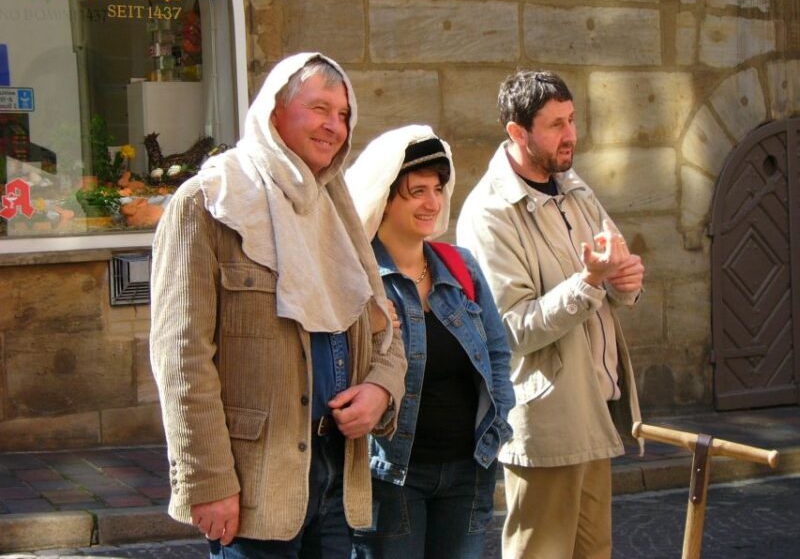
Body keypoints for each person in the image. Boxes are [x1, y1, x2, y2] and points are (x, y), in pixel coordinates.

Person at [149, 52, 407, 558]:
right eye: (319, 109)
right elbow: (181, 358)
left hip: (336, 473)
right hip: (255, 483)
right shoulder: (208, 203)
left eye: (343, 114)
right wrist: (208, 480)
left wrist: (381, 389)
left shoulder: (337, 207)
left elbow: (384, 326)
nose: (334, 126)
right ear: (274, 112)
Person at [456, 71, 645, 559]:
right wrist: (590, 282)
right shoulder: (489, 212)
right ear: (517, 133)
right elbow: (510, 328)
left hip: (595, 408)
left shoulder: (575, 188)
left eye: (573, 120)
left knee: (594, 552)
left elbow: (613, 264)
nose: (571, 135)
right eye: (556, 125)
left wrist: (625, 280)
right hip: (545, 422)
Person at [345, 125, 515, 559]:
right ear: (385, 199)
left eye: (437, 189)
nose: (433, 202)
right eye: (417, 191)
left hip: (467, 472)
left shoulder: (460, 267)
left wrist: (497, 426)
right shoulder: (356, 278)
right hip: (391, 478)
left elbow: (497, 353)